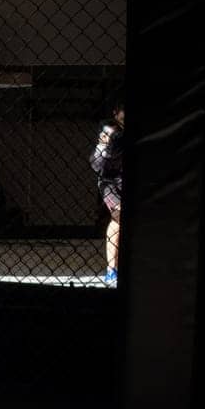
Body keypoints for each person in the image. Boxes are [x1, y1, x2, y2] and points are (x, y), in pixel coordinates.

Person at [91, 104, 124, 285]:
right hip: (110, 181)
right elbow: (96, 162)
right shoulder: (109, 128)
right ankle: (112, 270)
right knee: (119, 216)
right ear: (116, 113)